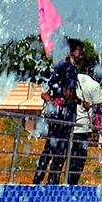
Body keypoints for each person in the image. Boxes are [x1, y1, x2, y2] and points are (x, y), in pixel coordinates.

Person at [33, 39, 81, 186]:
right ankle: (52, 185)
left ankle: (37, 180)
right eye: (79, 51)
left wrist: (54, 102)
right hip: (65, 118)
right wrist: (78, 100)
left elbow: (44, 94)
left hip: (54, 116)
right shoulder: (71, 70)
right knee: (60, 154)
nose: (81, 55)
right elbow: (68, 94)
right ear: (71, 52)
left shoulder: (55, 67)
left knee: (48, 150)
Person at [68, 55, 102, 185]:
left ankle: (61, 182)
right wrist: (101, 101)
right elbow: (98, 109)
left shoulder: (71, 79)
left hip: (68, 124)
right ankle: (73, 184)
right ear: (92, 71)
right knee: (79, 159)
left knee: (66, 156)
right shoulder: (93, 85)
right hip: (83, 126)